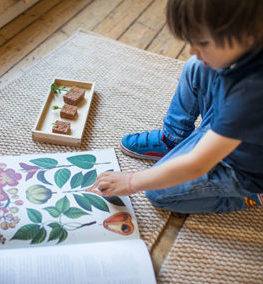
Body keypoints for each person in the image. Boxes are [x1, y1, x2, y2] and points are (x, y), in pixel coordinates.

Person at [95, 0, 263, 214]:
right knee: (196, 66)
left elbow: (196, 165)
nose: (192, 49)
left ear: (247, 34)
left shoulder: (251, 94)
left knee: (156, 193)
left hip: (242, 168)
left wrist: (131, 181)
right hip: (226, 124)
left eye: (202, 42)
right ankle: (173, 138)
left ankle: (250, 198)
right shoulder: (249, 45)